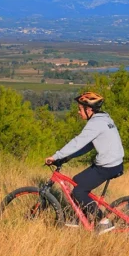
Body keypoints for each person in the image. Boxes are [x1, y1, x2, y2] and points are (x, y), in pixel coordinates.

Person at [46, 91, 124, 234]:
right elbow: (88, 145)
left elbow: (78, 142)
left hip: (107, 166)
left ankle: (102, 221)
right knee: (77, 181)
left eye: (80, 109)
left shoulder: (95, 123)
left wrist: (56, 156)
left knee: (79, 191)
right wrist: (69, 157)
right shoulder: (104, 119)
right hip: (114, 163)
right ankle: (81, 217)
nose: (78, 111)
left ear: (89, 110)